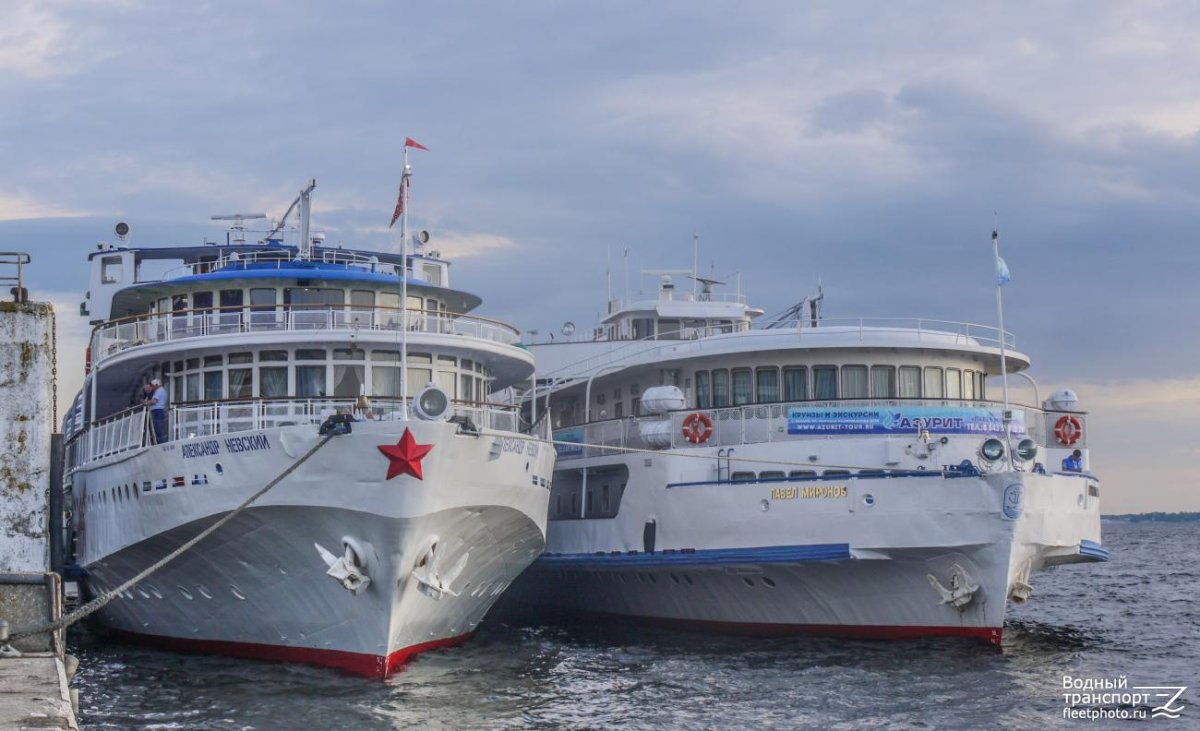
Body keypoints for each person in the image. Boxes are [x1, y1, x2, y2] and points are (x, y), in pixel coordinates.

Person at [143, 378, 168, 444]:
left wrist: (146, 403)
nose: (152, 387)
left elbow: (154, 401)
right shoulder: (160, 390)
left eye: (152, 386)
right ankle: (160, 442)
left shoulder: (159, 391)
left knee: (158, 428)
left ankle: (161, 443)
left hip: (157, 411)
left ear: (156, 385)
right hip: (158, 410)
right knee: (157, 427)